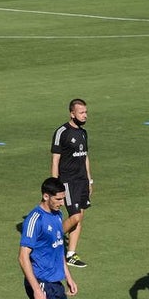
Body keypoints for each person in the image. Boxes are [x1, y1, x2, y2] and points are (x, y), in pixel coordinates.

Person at [51, 98, 93, 268]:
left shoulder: (83, 133)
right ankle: (52, 240)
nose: (85, 116)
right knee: (74, 216)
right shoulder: (62, 132)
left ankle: (70, 254)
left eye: (86, 112)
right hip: (68, 181)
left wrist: (89, 180)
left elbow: (85, 157)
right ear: (72, 113)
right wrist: (55, 185)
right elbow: (55, 160)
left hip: (82, 181)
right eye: (81, 112)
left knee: (79, 217)